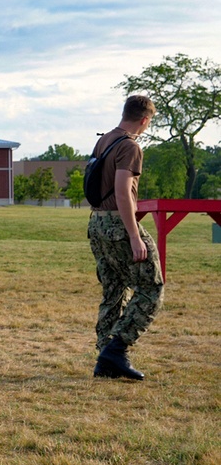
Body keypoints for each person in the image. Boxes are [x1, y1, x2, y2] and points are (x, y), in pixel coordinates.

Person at [89, 95, 162, 382]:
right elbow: (122, 191)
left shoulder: (104, 140)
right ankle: (115, 350)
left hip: (96, 222)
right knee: (151, 287)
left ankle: (104, 357)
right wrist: (134, 235)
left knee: (115, 288)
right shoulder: (130, 146)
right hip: (118, 224)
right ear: (144, 119)